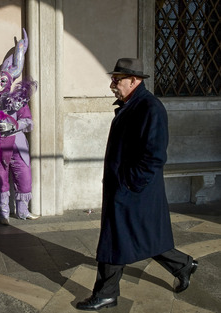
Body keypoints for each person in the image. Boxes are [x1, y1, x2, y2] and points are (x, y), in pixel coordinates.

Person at [76, 58, 198, 311]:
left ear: (135, 81)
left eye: (117, 79)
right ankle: (182, 265)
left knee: (114, 239)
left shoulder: (150, 107)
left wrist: (129, 183)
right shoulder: (133, 104)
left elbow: (154, 155)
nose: (112, 84)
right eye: (113, 78)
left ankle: (106, 294)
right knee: (141, 235)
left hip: (133, 189)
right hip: (127, 188)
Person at [0, 29, 39, 225]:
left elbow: (29, 122)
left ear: (9, 83)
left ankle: (23, 212)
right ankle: (4, 213)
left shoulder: (18, 100)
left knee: (24, 176)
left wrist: (15, 124)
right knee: (0, 179)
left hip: (18, 146)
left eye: (2, 80)